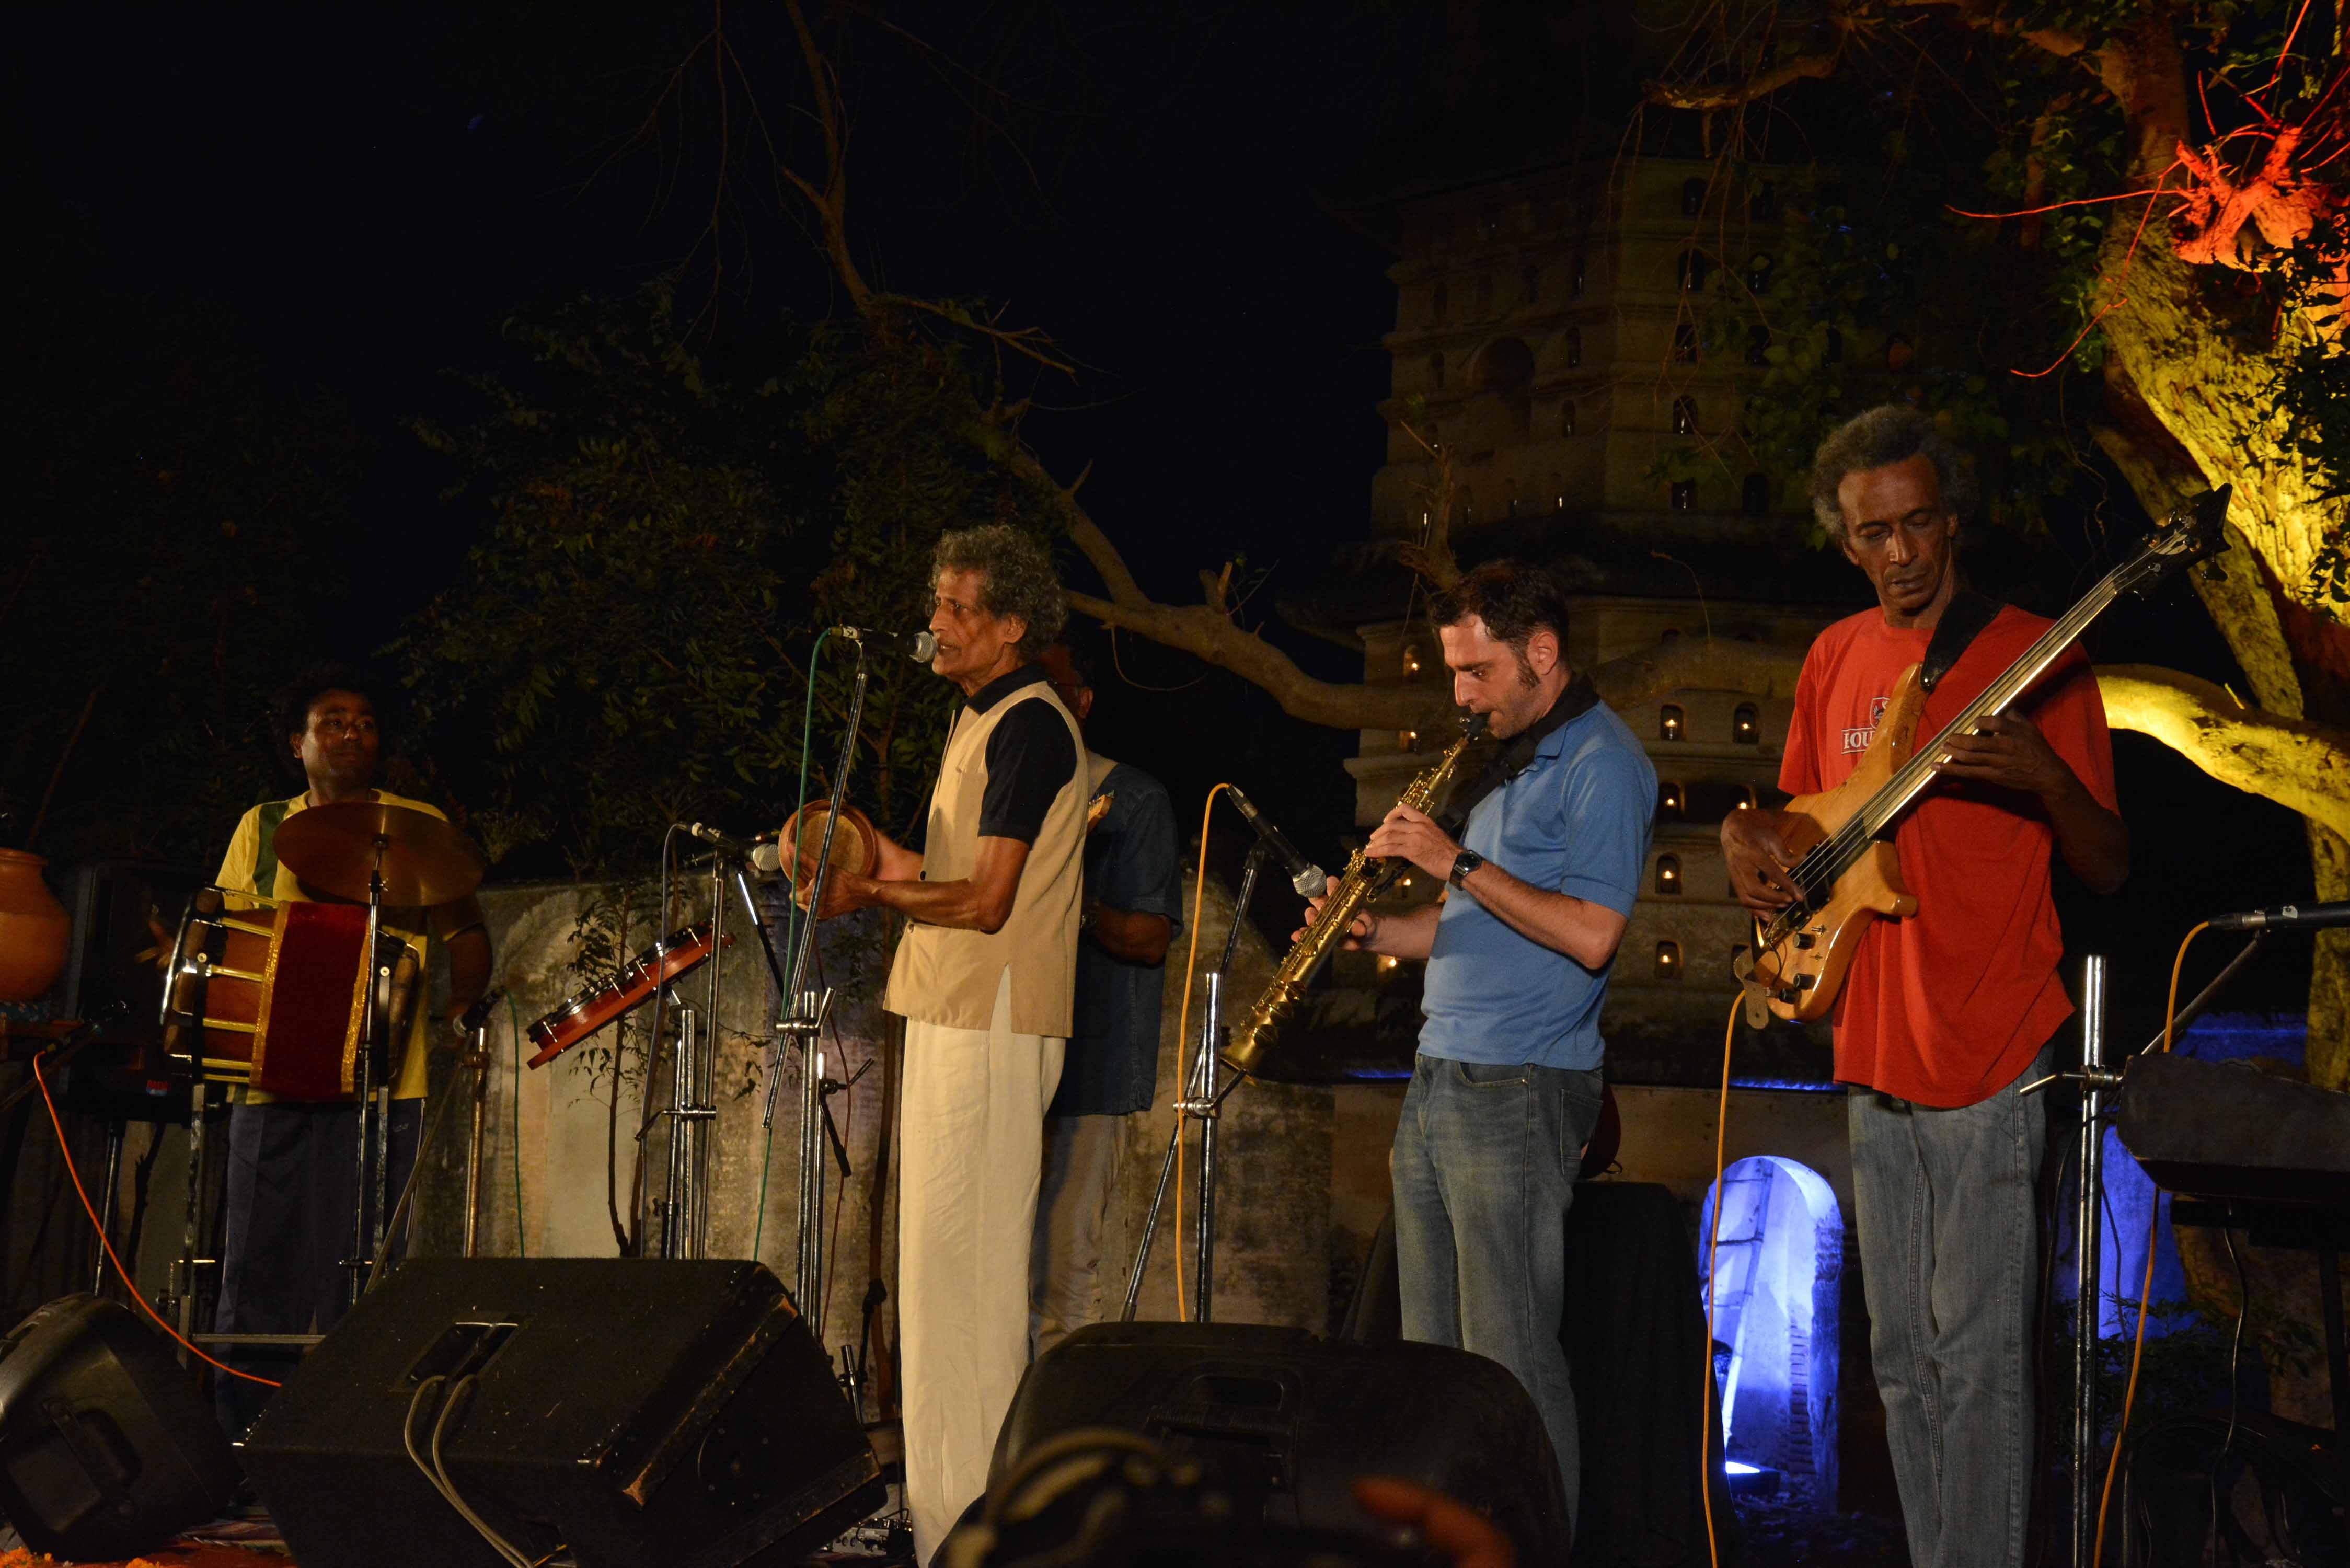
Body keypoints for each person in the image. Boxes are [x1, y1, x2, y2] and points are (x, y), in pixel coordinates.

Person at [1720, 406, 2126, 1568]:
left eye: (1917, 524)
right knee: (1900, 1360)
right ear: (1845, 541)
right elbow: (1802, 825)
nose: (1899, 553)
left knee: (1981, 1360)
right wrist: (1743, 839)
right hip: (1872, 1039)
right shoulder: (1834, 656)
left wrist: (2044, 775)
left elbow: (2108, 862)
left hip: (1991, 1038)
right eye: (1873, 534)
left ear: (1951, 522)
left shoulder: (2036, 653)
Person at [1306, 560, 1655, 1538]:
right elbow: (1476, 922)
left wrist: (1449, 858)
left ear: (1542, 653)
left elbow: (1592, 934)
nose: (1460, 694)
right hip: (1440, 1074)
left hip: (1520, 1084)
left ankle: (1534, 1546)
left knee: (1511, 1361)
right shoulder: (1509, 756)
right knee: (1434, 1361)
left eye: (1477, 670)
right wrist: (1372, 931)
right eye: (1453, 670)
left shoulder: (1603, 762)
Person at [813, 524, 1086, 1561]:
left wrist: (871, 893)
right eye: (936, 602)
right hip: (953, 1014)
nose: (934, 623)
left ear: (1010, 625)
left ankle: (977, 1531)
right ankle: (943, 1527)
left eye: (956, 607)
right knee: (934, 1287)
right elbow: (949, 872)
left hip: (991, 1021)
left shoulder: (1030, 725)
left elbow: (986, 900)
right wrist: (870, 855)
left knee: (966, 1288)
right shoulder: (981, 721)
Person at [211, 664, 492, 1436]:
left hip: (384, 1087)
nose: (351, 734)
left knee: (365, 1266)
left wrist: (462, 1006)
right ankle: (248, 1432)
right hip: (270, 1082)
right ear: (297, 744)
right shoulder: (262, 826)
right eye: (331, 722)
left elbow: (466, 932)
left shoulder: (414, 824)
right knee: (256, 1264)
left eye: (365, 723)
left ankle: (348, 1432)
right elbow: (233, 932)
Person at [1029, 640, 1182, 1357]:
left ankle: (1061, 1420)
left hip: (1091, 1070)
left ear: (1083, 702)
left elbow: (1150, 939)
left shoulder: (1133, 800)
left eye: (1050, 686)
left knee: (1062, 1275)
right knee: (1004, 1273)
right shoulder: (1016, 798)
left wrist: (1071, 897)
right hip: (1016, 1059)